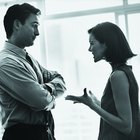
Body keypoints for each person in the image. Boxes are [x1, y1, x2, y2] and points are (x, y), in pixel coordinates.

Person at [0, 3, 66, 140]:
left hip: (43, 133)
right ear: (17, 24)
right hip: (22, 136)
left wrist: (45, 89)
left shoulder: (27, 58)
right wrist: (49, 93)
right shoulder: (6, 63)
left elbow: (58, 78)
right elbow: (41, 101)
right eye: (34, 25)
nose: (37, 32)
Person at [65, 22, 139, 140]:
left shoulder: (118, 76)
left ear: (106, 44)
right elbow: (119, 114)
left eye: (92, 43)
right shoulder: (124, 72)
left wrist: (92, 106)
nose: (89, 49)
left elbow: (126, 126)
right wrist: (96, 103)